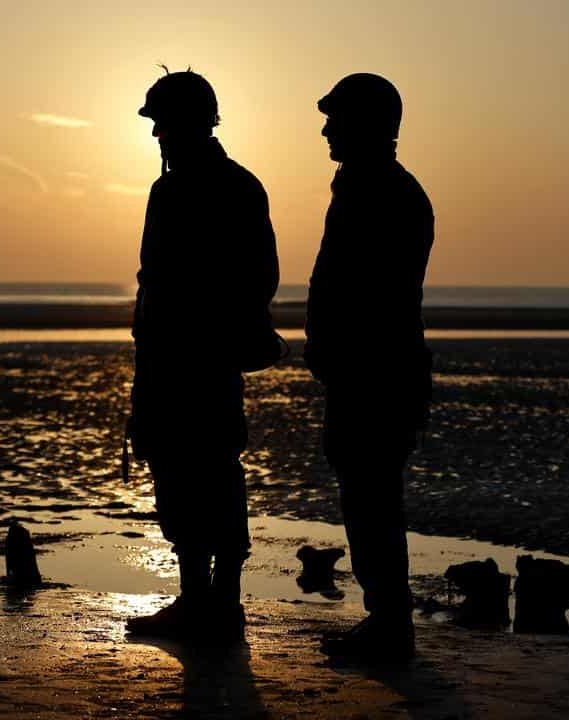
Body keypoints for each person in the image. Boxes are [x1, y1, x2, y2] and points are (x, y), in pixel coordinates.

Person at [124, 69, 280, 642]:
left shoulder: (212, 188)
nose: (158, 133)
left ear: (193, 123)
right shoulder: (230, 185)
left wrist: (202, 330)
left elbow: (256, 279)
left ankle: (215, 604)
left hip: (196, 360)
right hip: (179, 358)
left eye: (164, 122)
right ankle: (207, 603)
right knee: (190, 470)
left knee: (204, 471)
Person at [305, 73, 434, 661]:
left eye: (337, 118)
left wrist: (336, 348)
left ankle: (389, 624)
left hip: (376, 376)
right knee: (367, 496)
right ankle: (385, 620)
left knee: (373, 498)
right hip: (365, 373)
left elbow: (372, 295)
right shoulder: (366, 187)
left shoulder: (383, 192)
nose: (327, 129)